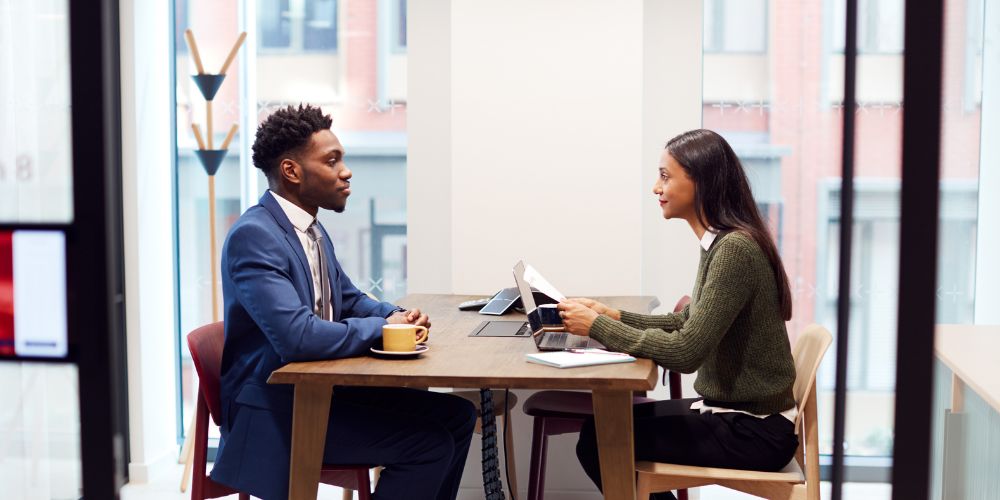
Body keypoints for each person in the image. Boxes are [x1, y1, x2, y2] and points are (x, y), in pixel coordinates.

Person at [213, 104, 476, 500]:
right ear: (292, 171)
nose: (346, 171)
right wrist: (387, 329)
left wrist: (394, 314)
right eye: (332, 160)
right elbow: (297, 338)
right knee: (427, 445)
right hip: (275, 411)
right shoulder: (255, 236)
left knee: (458, 416)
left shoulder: (310, 229)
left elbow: (349, 299)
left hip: (318, 393)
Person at [557, 129, 799, 500]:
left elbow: (686, 353)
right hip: (734, 415)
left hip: (753, 431)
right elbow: (688, 323)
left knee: (601, 440)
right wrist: (614, 316)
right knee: (601, 430)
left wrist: (599, 326)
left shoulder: (734, 250)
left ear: (701, 182)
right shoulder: (721, 242)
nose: (656, 187)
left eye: (666, 176)